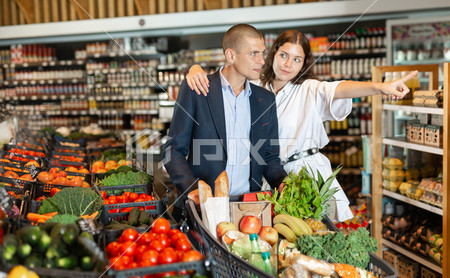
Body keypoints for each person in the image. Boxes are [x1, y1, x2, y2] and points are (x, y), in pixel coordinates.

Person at [186, 29, 417, 222]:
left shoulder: (309, 89)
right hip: (271, 177)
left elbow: (339, 88)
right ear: (272, 53)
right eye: (284, 55)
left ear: (304, 63)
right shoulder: (254, 87)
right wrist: (195, 69)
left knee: (320, 234)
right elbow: (229, 70)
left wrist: (379, 87)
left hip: (307, 174)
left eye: (297, 60)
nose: (288, 65)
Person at [162, 24, 287, 205]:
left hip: (247, 207)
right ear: (230, 55)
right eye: (254, 53)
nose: (261, 61)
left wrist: (282, 182)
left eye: (262, 53)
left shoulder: (265, 100)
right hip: (204, 205)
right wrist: (192, 191)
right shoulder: (198, 89)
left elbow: (268, 157)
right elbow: (173, 150)